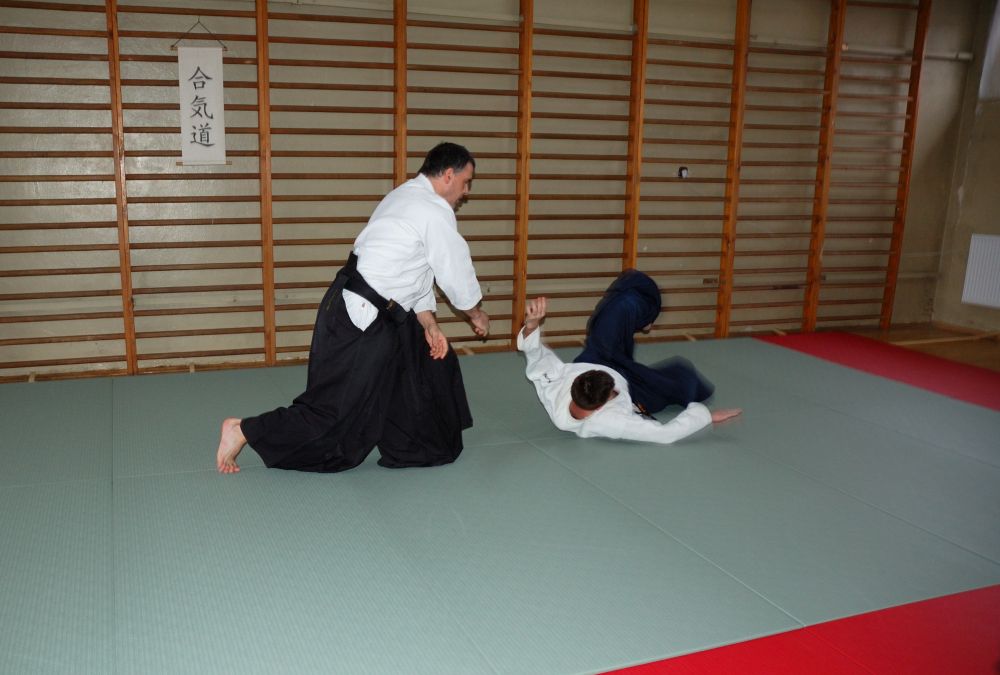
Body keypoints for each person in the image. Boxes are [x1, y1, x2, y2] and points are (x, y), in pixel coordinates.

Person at [216, 142, 490, 474]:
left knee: (425, 369)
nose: (466, 191)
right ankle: (244, 429)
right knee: (334, 413)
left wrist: (429, 324)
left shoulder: (405, 196)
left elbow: (412, 272)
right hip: (361, 316)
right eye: (466, 182)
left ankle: (421, 444)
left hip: (378, 311)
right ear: (448, 175)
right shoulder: (432, 210)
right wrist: (476, 313)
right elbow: (454, 272)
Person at [518, 294, 741, 444]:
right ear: (602, 405)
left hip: (596, 358)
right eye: (612, 394)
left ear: (577, 381)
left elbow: (535, 354)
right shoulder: (610, 422)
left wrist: (531, 325)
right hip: (633, 387)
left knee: (621, 304)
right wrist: (706, 416)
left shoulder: (554, 387)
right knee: (684, 377)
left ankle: (646, 317)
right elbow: (665, 435)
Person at [575, 269, 714, 415]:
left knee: (606, 371)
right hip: (604, 354)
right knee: (646, 388)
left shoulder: (619, 299)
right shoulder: (630, 304)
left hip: (602, 351)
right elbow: (610, 352)